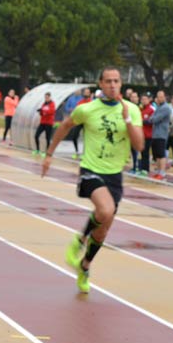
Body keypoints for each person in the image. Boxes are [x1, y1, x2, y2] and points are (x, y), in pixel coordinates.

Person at [41, 67, 143, 293]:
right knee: (105, 210)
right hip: (91, 169)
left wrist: (127, 119)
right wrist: (49, 155)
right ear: (100, 84)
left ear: (121, 84)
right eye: (108, 81)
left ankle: (84, 266)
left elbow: (139, 145)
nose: (113, 85)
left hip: (114, 175)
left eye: (116, 81)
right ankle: (80, 240)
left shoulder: (133, 110)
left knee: (103, 231)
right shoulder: (87, 109)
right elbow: (65, 126)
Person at [147, 90, 171, 180]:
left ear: (165, 97)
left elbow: (155, 119)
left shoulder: (165, 108)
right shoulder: (159, 107)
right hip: (155, 133)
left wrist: (151, 119)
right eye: (158, 96)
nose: (159, 98)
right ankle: (158, 171)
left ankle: (162, 172)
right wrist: (151, 118)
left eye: (161, 97)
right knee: (156, 154)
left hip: (161, 133)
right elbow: (152, 117)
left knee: (161, 154)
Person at [70, 88, 92, 159]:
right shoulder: (80, 102)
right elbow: (76, 111)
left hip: (87, 122)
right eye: (85, 92)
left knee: (87, 138)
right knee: (74, 136)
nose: (86, 94)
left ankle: (85, 154)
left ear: (89, 94)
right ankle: (77, 152)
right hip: (80, 121)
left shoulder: (92, 103)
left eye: (87, 92)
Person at [33, 92, 55, 156]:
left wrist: (44, 111)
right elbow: (42, 112)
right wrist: (41, 112)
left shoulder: (52, 104)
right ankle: (37, 149)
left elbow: (51, 111)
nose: (46, 98)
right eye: (45, 97)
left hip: (49, 123)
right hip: (42, 123)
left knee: (47, 138)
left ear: (50, 97)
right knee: (36, 135)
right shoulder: (44, 104)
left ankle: (47, 152)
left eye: (47, 97)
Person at [139, 94, 154, 176]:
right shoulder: (140, 109)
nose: (144, 101)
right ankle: (141, 167)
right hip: (141, 134)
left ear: (149, 100)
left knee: (146, 152)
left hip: (148, 135)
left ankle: (146, 168)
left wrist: (143, 121)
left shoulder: (151, 109)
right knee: (141, 152)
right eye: (142, 99)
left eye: (145, 99)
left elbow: (151, 121)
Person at [129, 92, 141, 173]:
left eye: (135, 97)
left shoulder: (140, 107)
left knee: (137, 151)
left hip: (138, 132)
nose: (134, 98)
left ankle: (137, 167)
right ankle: (134, 166)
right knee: (132, 151)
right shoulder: (127, 107)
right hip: (129, 131)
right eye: (132, 97)